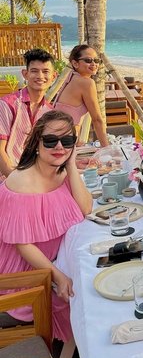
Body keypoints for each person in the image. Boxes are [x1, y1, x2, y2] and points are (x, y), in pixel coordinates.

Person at [0, 110, 92, 341]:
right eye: (51, 140)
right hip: (24, 280)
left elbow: (86, 208)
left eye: (67, 140)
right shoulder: (21, 183)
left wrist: (70, 164)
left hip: (55, 264)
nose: (59, 146)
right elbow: (24, 245)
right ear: (37, 142)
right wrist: (58, 276)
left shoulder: (60, 173)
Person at [0, 48, 57, 177]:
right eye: (34, 71)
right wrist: (17, 182)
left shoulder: (49, 112)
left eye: (45, 71)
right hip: (7, 179)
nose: (40, 76)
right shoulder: (7, 105)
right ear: (25, 74)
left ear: (54, 76)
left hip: (33, 175)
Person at [54, 44, 109, 146]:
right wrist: (107, 149)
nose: (94, 64)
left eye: (96, 60)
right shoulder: (86, 83)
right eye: (88, 60)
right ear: (75, 63)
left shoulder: (70, 77)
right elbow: (97, 119)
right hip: (64, 142)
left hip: (55, 138)